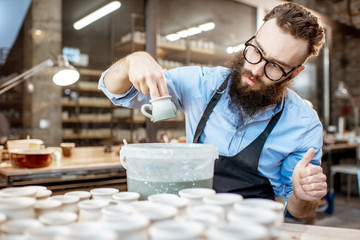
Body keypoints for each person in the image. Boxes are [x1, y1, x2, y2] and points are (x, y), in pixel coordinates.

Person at [98, 2, 327, 218]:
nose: (256, 70)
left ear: (295, 73)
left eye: (275, 66)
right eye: (256, 51)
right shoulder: (203, 84)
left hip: (254, 228)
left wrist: (303, 194)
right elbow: (117, 93)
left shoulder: (302, 124)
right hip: (194, 221)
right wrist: (133, 61)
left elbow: (299, 211)